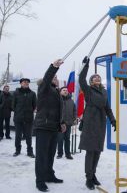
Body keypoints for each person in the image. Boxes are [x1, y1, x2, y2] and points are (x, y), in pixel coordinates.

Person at [79, 56, 116, 190]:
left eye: (99, 77)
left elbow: (107, 107)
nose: (97, 79)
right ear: (91, 81)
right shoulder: (88, 90)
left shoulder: (104, 91)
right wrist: (86, 66)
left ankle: (93, 174)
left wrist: (113, 119)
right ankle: (88, 178)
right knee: (90, 151)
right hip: (90, 122)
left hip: (100, 122)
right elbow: (81, 79)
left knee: (97, 151)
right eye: (95, 78)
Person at [34, 59, 66, 192]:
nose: (56, 79)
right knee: (42, 155)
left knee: (50, 154)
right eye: (54, 77)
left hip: (54, 127)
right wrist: (53, 67)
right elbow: (47, 78)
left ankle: (49, 175)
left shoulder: (56, 92)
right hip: (43, 127)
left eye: (57, 77)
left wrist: (62, 123)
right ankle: (40, 181)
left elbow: (58, 111)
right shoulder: (44, 88)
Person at [12, 78, 37, 157]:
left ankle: (30, 152)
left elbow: (34, 105)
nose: (26, 83)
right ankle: (17, 150)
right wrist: (18, 111)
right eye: (24, 82)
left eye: (27, 82)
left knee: (28, 136)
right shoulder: (16, 93)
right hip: (18, 118)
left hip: (28, 119)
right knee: (18, 136)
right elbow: (12, 105)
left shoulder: (32, 93)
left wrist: (29, 111)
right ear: (21, 83)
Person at [57, 86, 76, 160]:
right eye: (63, 90)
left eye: (66, 90)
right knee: (60, 139)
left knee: (67, 139)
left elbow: (74, 110)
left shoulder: (71, 101)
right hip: (60, 124)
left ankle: (68, 154)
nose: (65, 91)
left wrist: (74, 118)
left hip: (68, 123)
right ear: (60, 91)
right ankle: (60, 153)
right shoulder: (57, 99)